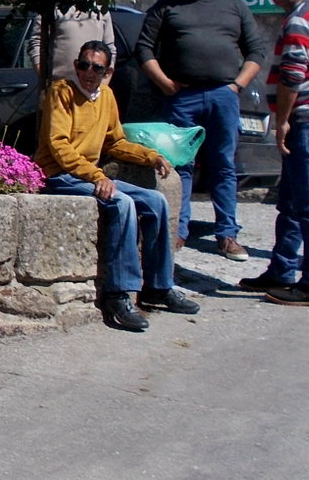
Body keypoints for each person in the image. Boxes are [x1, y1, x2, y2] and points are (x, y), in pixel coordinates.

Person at [37, 40, 200, 333]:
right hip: (59, 175)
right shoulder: (61, 92)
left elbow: (116, 142)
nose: (89, 72)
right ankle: (117, 294)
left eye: (97, 68)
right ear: (76, 66)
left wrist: (151, 156)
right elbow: (58, 145)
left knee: (156, 201)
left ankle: (159, 286)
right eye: (84, 65)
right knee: (122, 203)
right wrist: (96, 176)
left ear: (108, 72)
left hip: (87, 175)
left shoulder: (107, 97)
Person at [138, 0, 264, 261]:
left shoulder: (234, 7)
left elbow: (256, 51)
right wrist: (164, 82)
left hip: (223, 95)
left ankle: (227, 234)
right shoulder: (168, 5)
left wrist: (237, 85)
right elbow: (144, 47)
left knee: (223, 165)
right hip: (182, 97)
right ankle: (177, 230)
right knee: (180, 165)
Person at [237, 0, 309, 306]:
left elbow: (292, 77)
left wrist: (282, 121)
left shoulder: (301, 20)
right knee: (292, 205)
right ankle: (281, 271)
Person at [28, 7, 115, 85]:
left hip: (93, 90)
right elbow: (36, 43)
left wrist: (103, 84)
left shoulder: (101, 9)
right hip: (57, 87)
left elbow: (110, 49)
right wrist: (45, 80)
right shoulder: (52, 7)